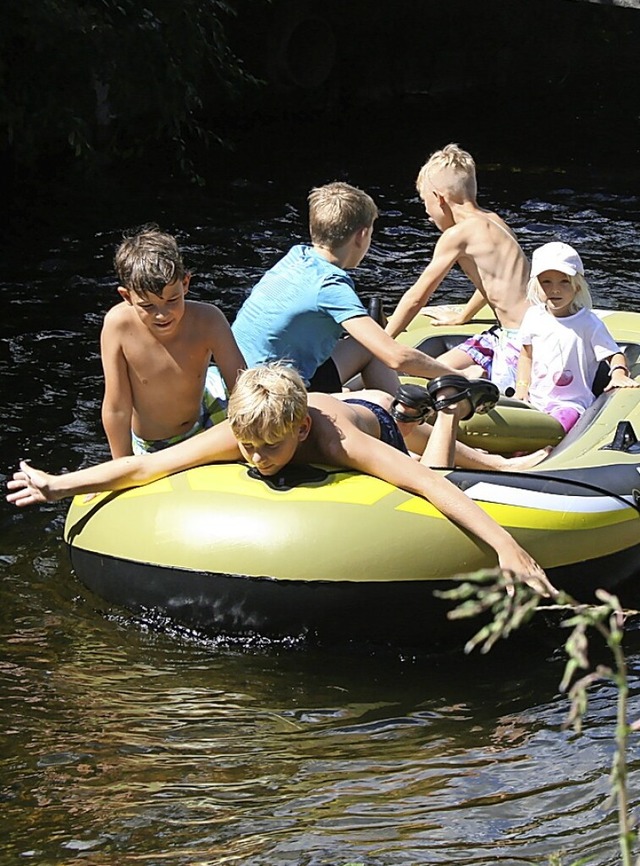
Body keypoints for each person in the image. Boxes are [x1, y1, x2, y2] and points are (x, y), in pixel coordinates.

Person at [7, 364, 556, 596]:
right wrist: (59, 485)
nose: (255, 458)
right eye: (247, 446)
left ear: (296, 431)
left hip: (377, 416)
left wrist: (511, 550)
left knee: (433, 459)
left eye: (269, 448)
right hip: (325, 401)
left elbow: (431, 487)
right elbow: (148, 465)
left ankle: (457, 412)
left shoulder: (335, 442)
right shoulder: (248, 430)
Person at [231, 181, 460, 395]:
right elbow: (396, 357)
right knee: (378, 359)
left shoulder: (297, 256)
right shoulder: (329, 287)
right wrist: (458, 376)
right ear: (361, 236)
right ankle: (400, 419)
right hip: (273, 396)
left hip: (243, 380)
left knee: (365, 347)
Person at [384, 144, 531, 393]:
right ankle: (468, 372)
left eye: (425, 203)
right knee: (439, 366)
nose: (428, 214)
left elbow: (417, 297)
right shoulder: (494, 220)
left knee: (430, 381)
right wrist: (464, 316)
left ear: (439, 198)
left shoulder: (458, 234)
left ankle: (472, 379)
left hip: (522, 341)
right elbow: (494, 283)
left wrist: (382, 341)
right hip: (508, 332)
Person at [101, 226, 246, 458]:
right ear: (126, 296)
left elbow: (242, 385)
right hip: (155, 443)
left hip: (206, 416)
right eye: (147, 306)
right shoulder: (117, 327)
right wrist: (121, 466)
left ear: (186, 283)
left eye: (173, 299)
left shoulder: (208, 319)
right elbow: (117, 408)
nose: (162, 314)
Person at [514, 242, 638, 432]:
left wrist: (619, 373)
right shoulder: (533, 317)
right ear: (535, 285)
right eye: (546, 282)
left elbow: (614, 354)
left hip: (572, 404)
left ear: (577, 287)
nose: (555, 289)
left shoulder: (588, 323)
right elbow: (526, 356)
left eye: (564, 282)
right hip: (535, 400)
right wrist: (522, 387)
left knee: (552, 429)